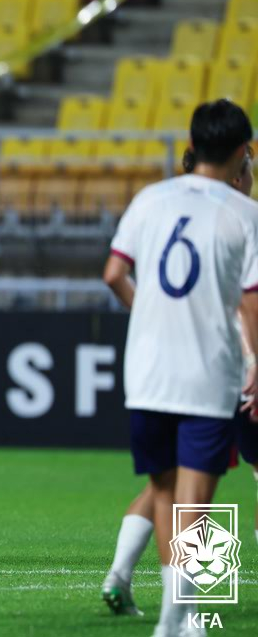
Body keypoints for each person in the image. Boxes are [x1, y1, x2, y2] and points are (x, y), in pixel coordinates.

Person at [102, 99, 258, 636]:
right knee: (195, 502)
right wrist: (257, 362)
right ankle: (178, 620)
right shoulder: (245, 213)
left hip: (147, 371)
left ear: (192, 145)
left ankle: (173, 615)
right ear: (243, 153)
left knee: (164, 492)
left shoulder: (151, 198)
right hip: (209, 369)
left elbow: (113, 273)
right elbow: (251, 302)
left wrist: (148, 314)